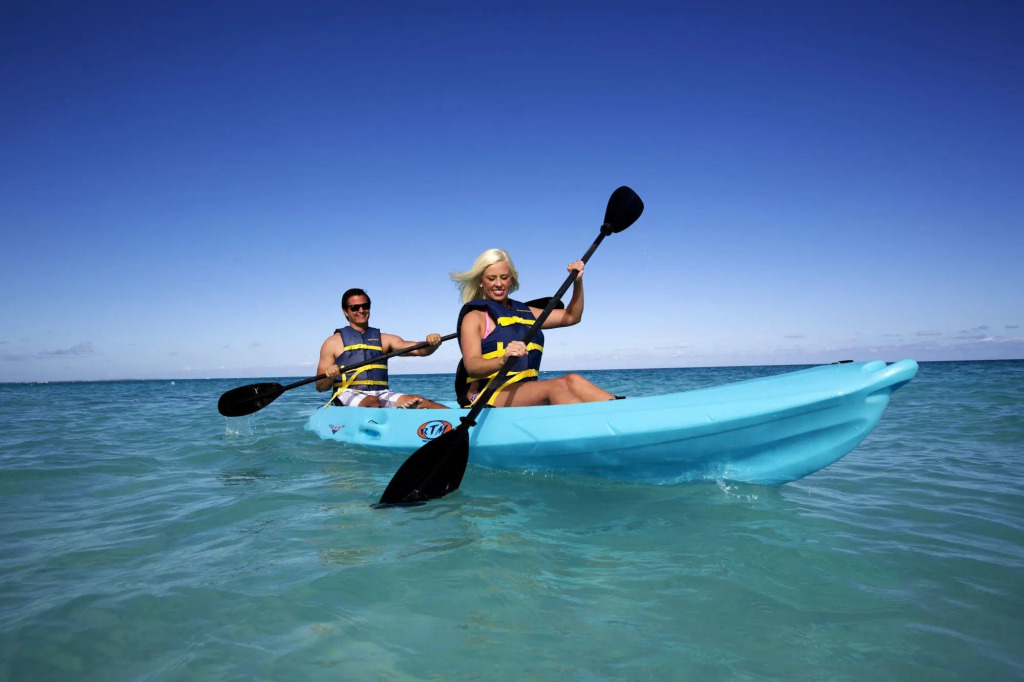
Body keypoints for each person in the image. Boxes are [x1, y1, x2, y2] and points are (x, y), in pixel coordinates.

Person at [450, 248, 617, 407]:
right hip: (487, 394)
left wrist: (577, 282)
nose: (499, 284)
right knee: (557, 387)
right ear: (481, 281)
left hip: (522, 389)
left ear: (512, 279)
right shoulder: (474, 317)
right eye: (491, 278)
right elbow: (472, 367)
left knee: (573, 380)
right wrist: (503, 360)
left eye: (504, 277)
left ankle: (619, 409)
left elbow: (572, 316)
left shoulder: (526, 313)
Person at [316, 288, 447, 409]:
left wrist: (432, 343)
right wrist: (329, 377)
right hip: (346, 393)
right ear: (345, 311)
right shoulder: (332, 343)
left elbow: (420, 350)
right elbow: (320, 387)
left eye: (365, 306)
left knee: (418, 401)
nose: (361, 310)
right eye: (355, 307)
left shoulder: (385, 339)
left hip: (381, 393)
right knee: (372, 401)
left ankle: (456, 418)